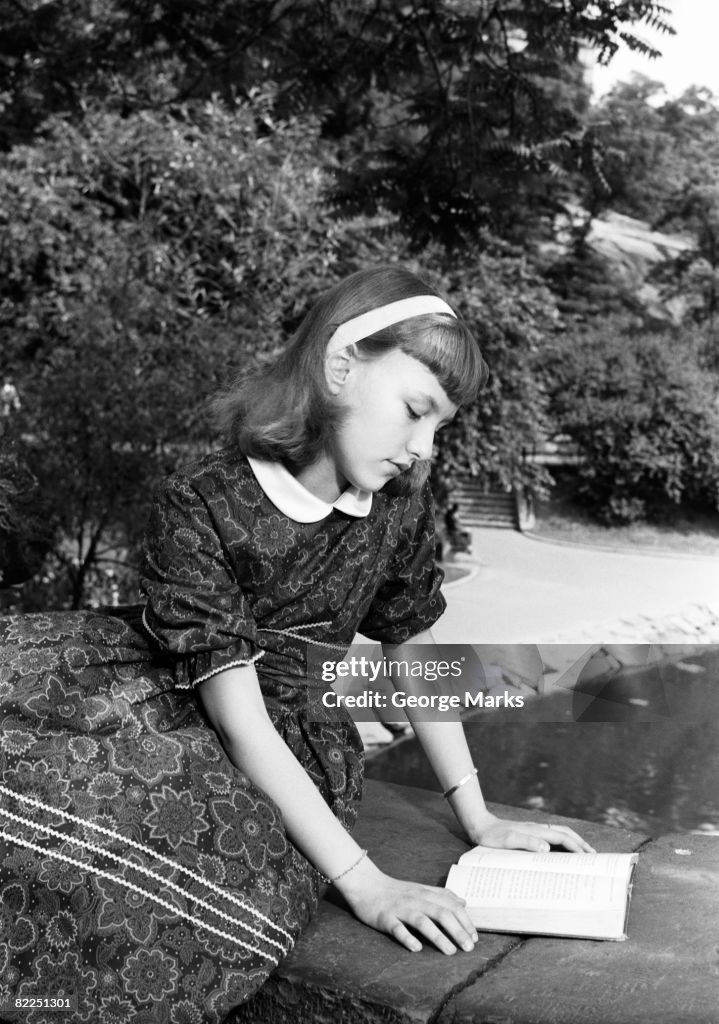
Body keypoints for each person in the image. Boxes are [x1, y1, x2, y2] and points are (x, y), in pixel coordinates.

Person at [0, 266, 592, 1023]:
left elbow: (413, 650)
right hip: (175, 705)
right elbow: (238, 718)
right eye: (415, 410)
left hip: (298, 737)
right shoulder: (203, 502)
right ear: (340, 366)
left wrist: (480, 821)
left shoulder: (398, 511)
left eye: (441, 426)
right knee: (81, 813)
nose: (423, 448)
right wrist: (368, 884)